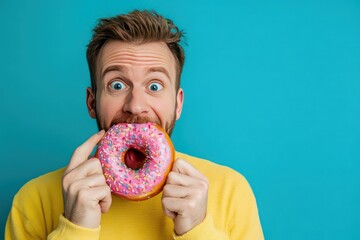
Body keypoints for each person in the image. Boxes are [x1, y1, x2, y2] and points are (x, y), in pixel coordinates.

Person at [5, 10, 264, 239]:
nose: (135, 105)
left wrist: (198, 230)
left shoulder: (229, 189)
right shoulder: (35, 199)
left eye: (154, 86)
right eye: (117, 85)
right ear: (92, 102)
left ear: (178, 104)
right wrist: (75, 228)